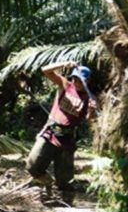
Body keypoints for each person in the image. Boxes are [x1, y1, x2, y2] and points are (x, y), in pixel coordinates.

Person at [26, 61, 97, 197]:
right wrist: (65, 63)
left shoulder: (90, 98)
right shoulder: (66, 85)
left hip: (67, 139)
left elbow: (89, 119)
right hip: (50, 132)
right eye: (74, 78)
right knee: (32, 166)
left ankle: (64, 204)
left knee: (65, 181)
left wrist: (92, 110)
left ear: (87, 81)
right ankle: (47, 181)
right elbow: (45, 70)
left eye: (80, 80)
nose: (76, 82)